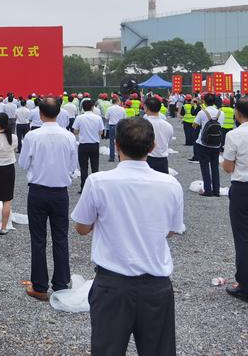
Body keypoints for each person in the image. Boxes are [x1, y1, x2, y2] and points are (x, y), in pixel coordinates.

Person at [72, 117, 184, 355]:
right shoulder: (170, 184)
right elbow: (173, 230)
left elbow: (81, 227)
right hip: (156, 285)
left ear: (117, 145)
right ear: (152, 147)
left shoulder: (98, 182)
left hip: (112, 285)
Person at [18, 97, 76, 301]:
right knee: (61, 237)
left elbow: (23, 164)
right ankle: (61, 284)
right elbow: (72, 167)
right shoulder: (68, 136)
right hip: (60, 192)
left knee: (38, 238)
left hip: (38, 191)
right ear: (59, 112)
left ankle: (40, 286)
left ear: (40, 114)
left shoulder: (32, 136)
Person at [222, 97, 248, 302]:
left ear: (238, 113)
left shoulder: (234, 135)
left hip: (243, 189)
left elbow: (228, 167)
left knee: (243, 236)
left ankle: (245, 285)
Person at [193, 93, 225, 196]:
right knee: (215, 167)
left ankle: (207, 190)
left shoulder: (202, 112)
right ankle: (216, 190)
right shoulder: (221, 113)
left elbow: (194, 125)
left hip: (203, 143)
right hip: (216, 144)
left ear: (204, 101)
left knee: (205, 166)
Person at [73, 98, 104, 192]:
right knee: (95, 167)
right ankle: (95, 188)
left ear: (82, 107)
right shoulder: (98, 118)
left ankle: (83, 187)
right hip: (94, 144)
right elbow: (101, 132)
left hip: (83, 145)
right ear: (92, 107)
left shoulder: (79, 117)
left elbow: (75, 131)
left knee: (83, 168)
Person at [144, 96, 174, 174]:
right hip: (163, 160)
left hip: (147, 159)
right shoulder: (168, 125)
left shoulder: (143, 124)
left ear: (146, 108)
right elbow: (169, 141)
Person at [106, 96, 126, 162]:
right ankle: (120, 157)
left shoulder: (109, 108)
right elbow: (124, 118)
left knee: (111, 142)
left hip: (112, 126)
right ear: (117, 101)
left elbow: (106, 117)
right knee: (120, 142)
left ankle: (112, 158)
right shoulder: (122, 109)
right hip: (120, 126)